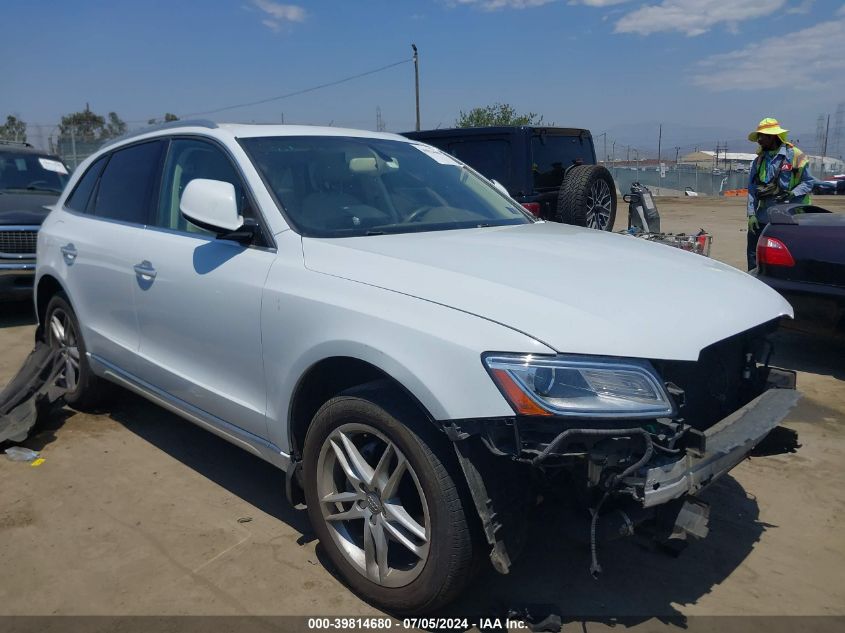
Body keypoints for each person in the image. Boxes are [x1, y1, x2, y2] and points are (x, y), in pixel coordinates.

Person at [746, 117, 814, 270]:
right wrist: (751, 214)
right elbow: (752, 189)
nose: (759, 140)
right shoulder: (758, 160)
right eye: (758, 136)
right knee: (754, 252)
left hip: (791, 216)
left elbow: (808, 182)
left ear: (773, 137)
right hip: (764, 215)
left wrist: (792, 193)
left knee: (787, 256)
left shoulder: (796, 155)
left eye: (762, 136)